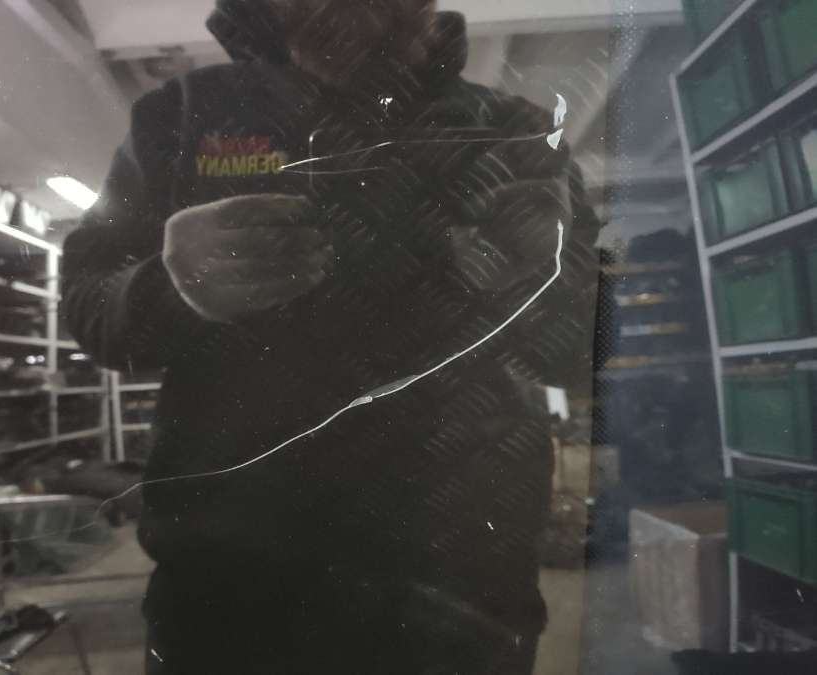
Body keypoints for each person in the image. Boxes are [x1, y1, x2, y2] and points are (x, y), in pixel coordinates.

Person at [62, 0, 601, 672]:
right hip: (233, 586)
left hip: (456, 587)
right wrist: (167, 288)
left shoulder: (515, 135)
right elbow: (89, 307)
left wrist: (537, 283)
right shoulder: (183, 114)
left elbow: (583, 358)